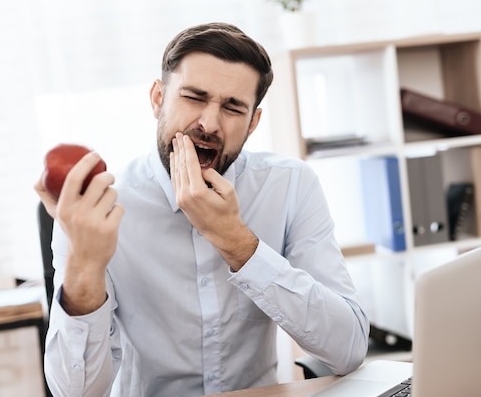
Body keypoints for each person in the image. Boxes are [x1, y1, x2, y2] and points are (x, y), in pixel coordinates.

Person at [35, 22, 369, 397]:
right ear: (158, 99)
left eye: (232, 107)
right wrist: (85, 266)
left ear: (252, 122)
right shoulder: (97, 208)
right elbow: (76, 393)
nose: (209, 123)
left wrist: (236, 241)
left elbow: (349, 350)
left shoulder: (290, 186)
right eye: (194, 97)